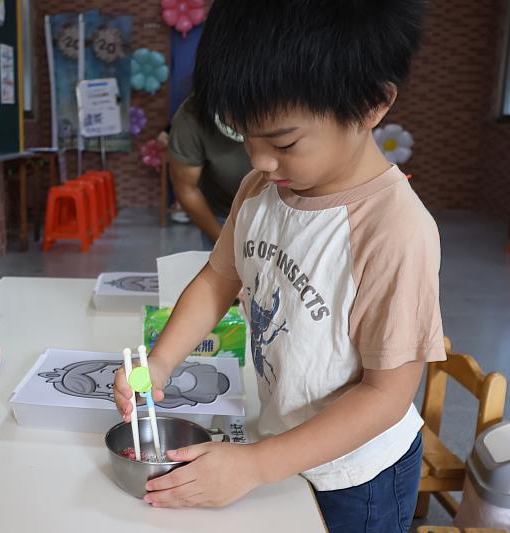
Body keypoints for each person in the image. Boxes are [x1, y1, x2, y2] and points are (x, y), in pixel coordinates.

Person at [114, 1, 445, 531]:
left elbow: (387, 395)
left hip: (356, 476)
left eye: (285, 142)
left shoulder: (394, 230)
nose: (261, 160)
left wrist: (256, 465)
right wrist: (159, 364)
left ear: (371, 105)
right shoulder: (262, 191)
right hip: (282, 447)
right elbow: (219, 278)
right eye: (245, 135)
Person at [168, 96, 253, 249]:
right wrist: (224, 243)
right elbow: (186, 188)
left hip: (285, 213)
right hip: (223, 214)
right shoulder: (192, 115)